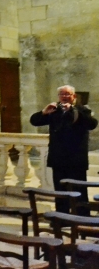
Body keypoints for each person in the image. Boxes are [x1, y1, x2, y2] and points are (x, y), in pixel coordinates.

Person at [30, 85, 97, 214]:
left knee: (79, 190)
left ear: (74, 96)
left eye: (68, 94)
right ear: (58, 96)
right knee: (60, 190)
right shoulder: (54, 111)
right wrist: (43, 112)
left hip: (76, 158)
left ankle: (82, 217)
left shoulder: (83, 110)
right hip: (58, 157)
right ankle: (61, 217)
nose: (64, 96)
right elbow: (34, 121)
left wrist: (72, 110)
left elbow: (92, 124)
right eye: (62, 94)